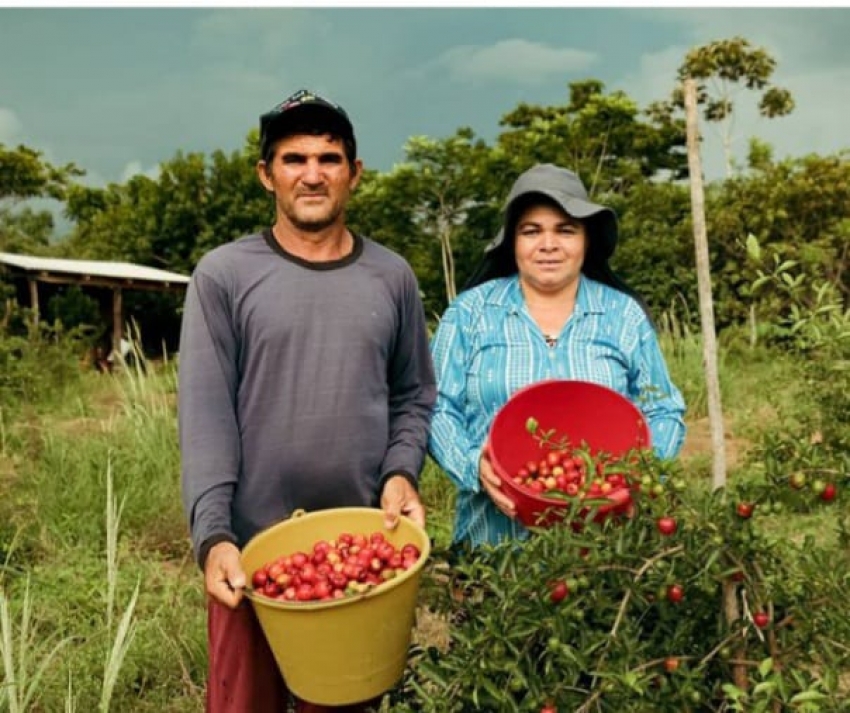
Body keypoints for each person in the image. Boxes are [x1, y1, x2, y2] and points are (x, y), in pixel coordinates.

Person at [178, 88, 436, 713]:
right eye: (294, 159)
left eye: (329, 157)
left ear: (355, 172)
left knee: (344, 704)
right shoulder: (224, 275)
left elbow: (413, 394)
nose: (313, 174)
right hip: (252, 556)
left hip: (357, 563)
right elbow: (206, 418)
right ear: (267, 175)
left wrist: (402, 471)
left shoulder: (392, 276)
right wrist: (213, 536)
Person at [428, 163, 686, 549]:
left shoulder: (622, 316)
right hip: (493, 543)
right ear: (512, 242)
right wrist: (472, 465)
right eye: (531, 231)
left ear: (587, 240)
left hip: (604, 547)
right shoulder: (470, 313)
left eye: (565, 230)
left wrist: (638, 478)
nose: (548, 244)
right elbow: (434, 407)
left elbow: (664, 409)